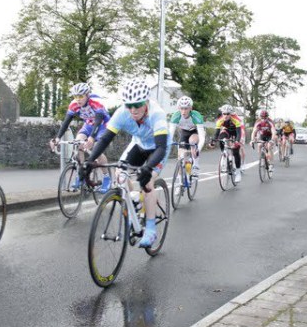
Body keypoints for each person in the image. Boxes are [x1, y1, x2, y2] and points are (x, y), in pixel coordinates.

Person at [80, 78, 171, 248]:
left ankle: (151, 229)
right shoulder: (122, 113)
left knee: (147, 181)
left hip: (158, 148)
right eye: (129, 105)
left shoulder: (156, 113)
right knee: (120, 173)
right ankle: (134, 200)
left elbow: (160, 147)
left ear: (146, 102)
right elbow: (106, 138)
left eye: (138, 104)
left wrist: (148, 167)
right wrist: (90, 161)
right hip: (138, 144)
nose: (133, 109)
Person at [49, 82, 112, 193]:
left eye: (81, 96)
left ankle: (107, 177)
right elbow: (66, 122)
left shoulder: (96, 102)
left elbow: (98, 122)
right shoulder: (74, 104)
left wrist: (92, 138)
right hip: (88, 125)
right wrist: (57, 138)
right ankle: (82, 174)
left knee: (97, 148)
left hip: (103, 125)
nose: (78, 99)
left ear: (87, 95)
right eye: (75, 96)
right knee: (78, 143)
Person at [168, 96, 206, 177]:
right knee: (181, 158)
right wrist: (168, 142)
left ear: (190, 108)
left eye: (186, 108)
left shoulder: (196, 116)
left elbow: (202, 138)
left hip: (195, 132)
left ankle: (195, 165)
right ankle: (181, 182)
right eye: (181, 108)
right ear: (178, 108)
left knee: (192, 142)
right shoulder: (176, 116)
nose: (183, 111)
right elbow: (170, 133)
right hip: (184, 133)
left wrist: (198, 149)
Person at [209, 104, 243, 183]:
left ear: (231, 114)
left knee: (235, 151)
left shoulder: (236, 120)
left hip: (236, 131)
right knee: (221, 137)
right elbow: (216, 133)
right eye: (224, 113)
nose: (226, 115)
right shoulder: (220, 120)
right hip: (227, 130)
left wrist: (237, 141)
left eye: (228, 114)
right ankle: (224, 153)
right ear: (222, 113)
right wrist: (213, 141)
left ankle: (238, 172)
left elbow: (239, 133)